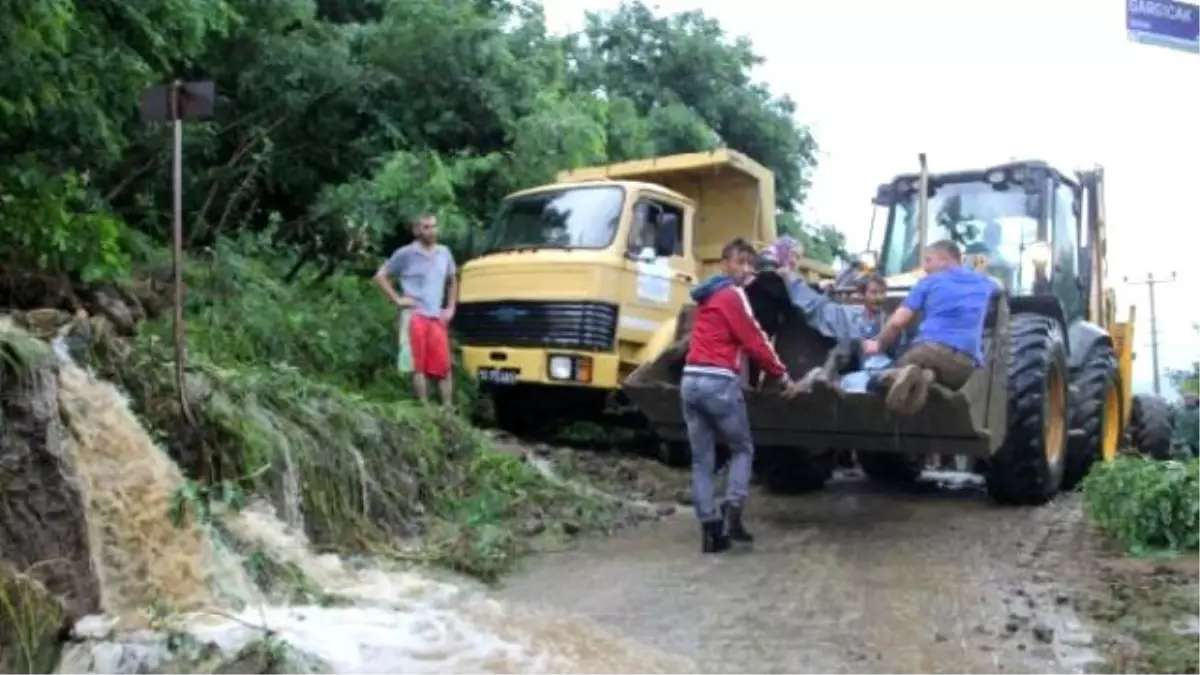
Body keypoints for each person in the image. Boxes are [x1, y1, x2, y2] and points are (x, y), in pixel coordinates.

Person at [682, 237, 802, 553]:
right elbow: (755, 340)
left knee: (702, 460)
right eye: (739, 262)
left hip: (690, 380)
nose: (745, 269)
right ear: (725, 262)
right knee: (742, 448)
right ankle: (732, 510)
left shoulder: (705, 296)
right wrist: (783, 377)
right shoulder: (732, 296)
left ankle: (710, 531)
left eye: (749, 263)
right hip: (718, 383)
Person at [863, 239, 996, 415]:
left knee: (875, 384)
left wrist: (878, 344)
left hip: (930, 350)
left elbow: (897, 322)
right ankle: (926, 378)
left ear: (943, 259)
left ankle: (896, 376)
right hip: (966, 365)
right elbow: (1000, 290)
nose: (924, 267)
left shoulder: (929, 282)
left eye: (928, 260)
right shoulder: (984, 282)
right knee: (934, 376)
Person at [374, 214, 458, 406]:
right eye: (426, 227)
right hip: (415, 314)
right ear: (416, 230)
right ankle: (424, 406)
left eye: (434, 226)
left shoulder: (444, 252)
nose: (432, 231)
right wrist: (396, 299)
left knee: (444, 365)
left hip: (436, 315)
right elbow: (381, 276)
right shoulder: (406, 253)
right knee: (418, 365)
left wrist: (451, 307)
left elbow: (453, 279)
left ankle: (447, 409)